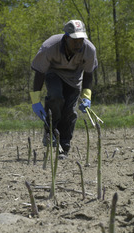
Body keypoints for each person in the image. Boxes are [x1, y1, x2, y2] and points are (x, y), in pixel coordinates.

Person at [30, 20, 98, 158]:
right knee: (56, 97)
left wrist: (87, 97)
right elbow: (40, 72)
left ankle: (64, 148)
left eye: (81, 40)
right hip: (53, 73)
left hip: (74, 79)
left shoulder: (89, 49)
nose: (78, 44)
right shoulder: (50, 46)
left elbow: (89, 74)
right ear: (66, 37)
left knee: (69, 112)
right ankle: (50, 132)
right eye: (74, 40)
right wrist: (35, 100)